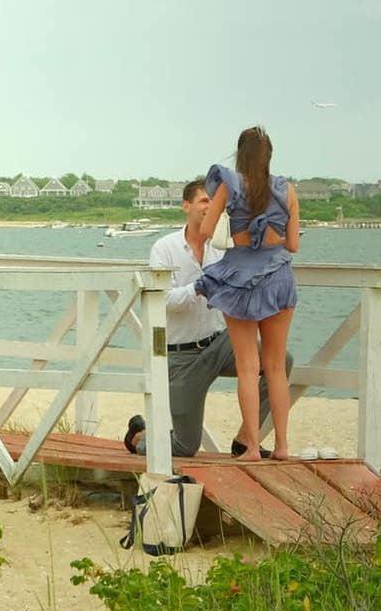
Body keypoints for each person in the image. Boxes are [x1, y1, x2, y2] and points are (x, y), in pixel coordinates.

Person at [123, 178, 287, 460]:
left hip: (219, 344)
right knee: (185, 448)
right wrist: (201, 286)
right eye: (203, 201)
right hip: (181, 357)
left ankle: (245, 440)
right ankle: (140, 437)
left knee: (281, 362)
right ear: (186, 205)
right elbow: (163, 302)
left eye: (213, 202)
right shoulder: (164, 248)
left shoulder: (223, 246)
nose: (209, 206)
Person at [193, 125, 299, 460]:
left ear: (240, 155)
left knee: (247, 366)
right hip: (279, 277)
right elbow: (293, 244)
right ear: (270, 156)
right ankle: (281, 446)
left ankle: (252, 446)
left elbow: (206, 232)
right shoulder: (288, 191)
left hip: (240, 278)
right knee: (276, 367)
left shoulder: (229, 184)